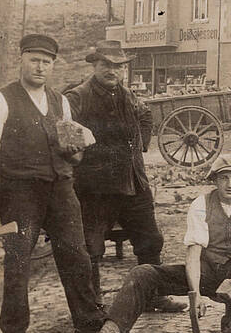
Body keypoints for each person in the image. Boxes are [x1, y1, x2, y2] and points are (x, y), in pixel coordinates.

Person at [57, 156, 231, 333]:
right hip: (207, 274)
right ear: (215, 180)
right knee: (143, 274)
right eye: (224, 178)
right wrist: (195, 292)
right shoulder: (200, 204)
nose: (230, 184)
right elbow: (193, 253)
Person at [0, 33, 106, 333]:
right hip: (20, 193)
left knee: (77, 257)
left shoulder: (60, 101)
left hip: (60, 190)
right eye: (34, 59)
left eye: (47, 61)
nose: (40, 66)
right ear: (21, 59)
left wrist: (74, 152)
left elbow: (71, 153)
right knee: (17, 265)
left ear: (54, 65)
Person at [66, 40, 175, 309]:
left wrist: (141, 146)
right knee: (91, 247)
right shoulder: (78, 97)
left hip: (133, 183)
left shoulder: (129, 96)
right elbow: (64, 129)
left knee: (151, 240)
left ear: (124, 69)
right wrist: (78, 156)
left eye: (117, 66)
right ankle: (92, 305)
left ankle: (153, 295)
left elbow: (147, 116)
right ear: (95, 65)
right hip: (96, 188)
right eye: (106, 64)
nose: (111, 70)